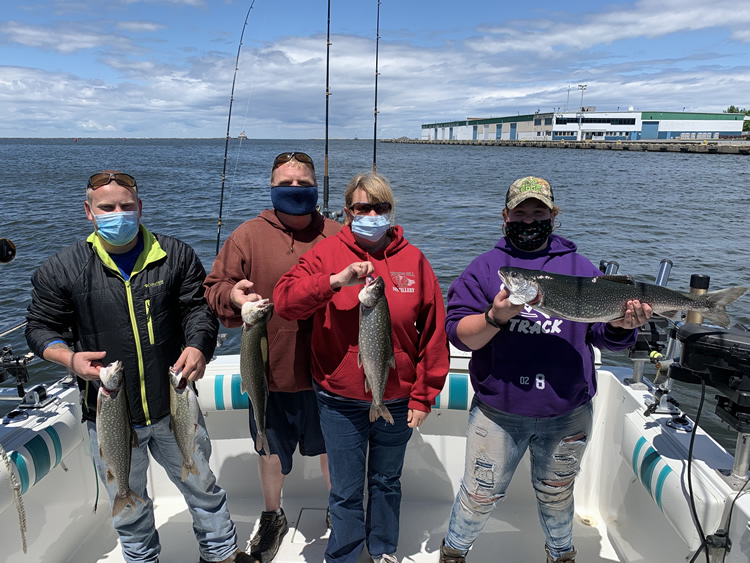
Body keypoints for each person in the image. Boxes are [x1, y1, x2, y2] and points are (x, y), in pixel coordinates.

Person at [25, 171, 251, 563]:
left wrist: (199, 346)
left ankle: (222, 554)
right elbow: (40, 327)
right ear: (89, 212)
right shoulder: (63, 269)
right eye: (107, 207)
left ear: (140, 208)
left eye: (126, 206)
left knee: (202, 486)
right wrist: (69, 359)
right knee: (127, 503)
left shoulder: (175, 255)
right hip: (111, 413)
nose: (118, 213)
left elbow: (198, 310)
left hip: (174, 403)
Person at [438, 176, 653, 563]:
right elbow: (459, 334)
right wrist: (495, 315)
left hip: (567, 411)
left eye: (539, 212)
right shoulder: (486, 269)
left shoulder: (578, 266)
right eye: (521, 212)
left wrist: (623, 325)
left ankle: (561, 554)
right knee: (479, 494)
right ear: (505, 216)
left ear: (554, 217)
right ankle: (453, 551)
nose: (529, 219)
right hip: (498, 413)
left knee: (558, 493)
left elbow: (602, 334)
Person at [273, 172, 450, 563]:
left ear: (390, 211)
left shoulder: (414, 259)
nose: (370, 213)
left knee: (387, 481)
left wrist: (424, 395)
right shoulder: (325, 253)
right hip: (339, 398)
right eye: (361, 207)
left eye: (379, 207)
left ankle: (384, 548)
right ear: (349, 212)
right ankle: (345, 555)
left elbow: (435, 333)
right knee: (346, 488)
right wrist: (335, 281)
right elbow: (285, 302)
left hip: (398, 395)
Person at [204, 151, 340, 562]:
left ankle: (340, 510)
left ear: (317, 185)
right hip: (268, 371)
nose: (295, 189)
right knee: (269, 451)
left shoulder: (337, 232)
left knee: (333, 451)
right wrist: (231, 294)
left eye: (303, 183)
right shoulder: (247, 235)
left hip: (328, 371)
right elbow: (213, 288)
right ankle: (272, 514)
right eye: (286, 183)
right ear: (271, 186)